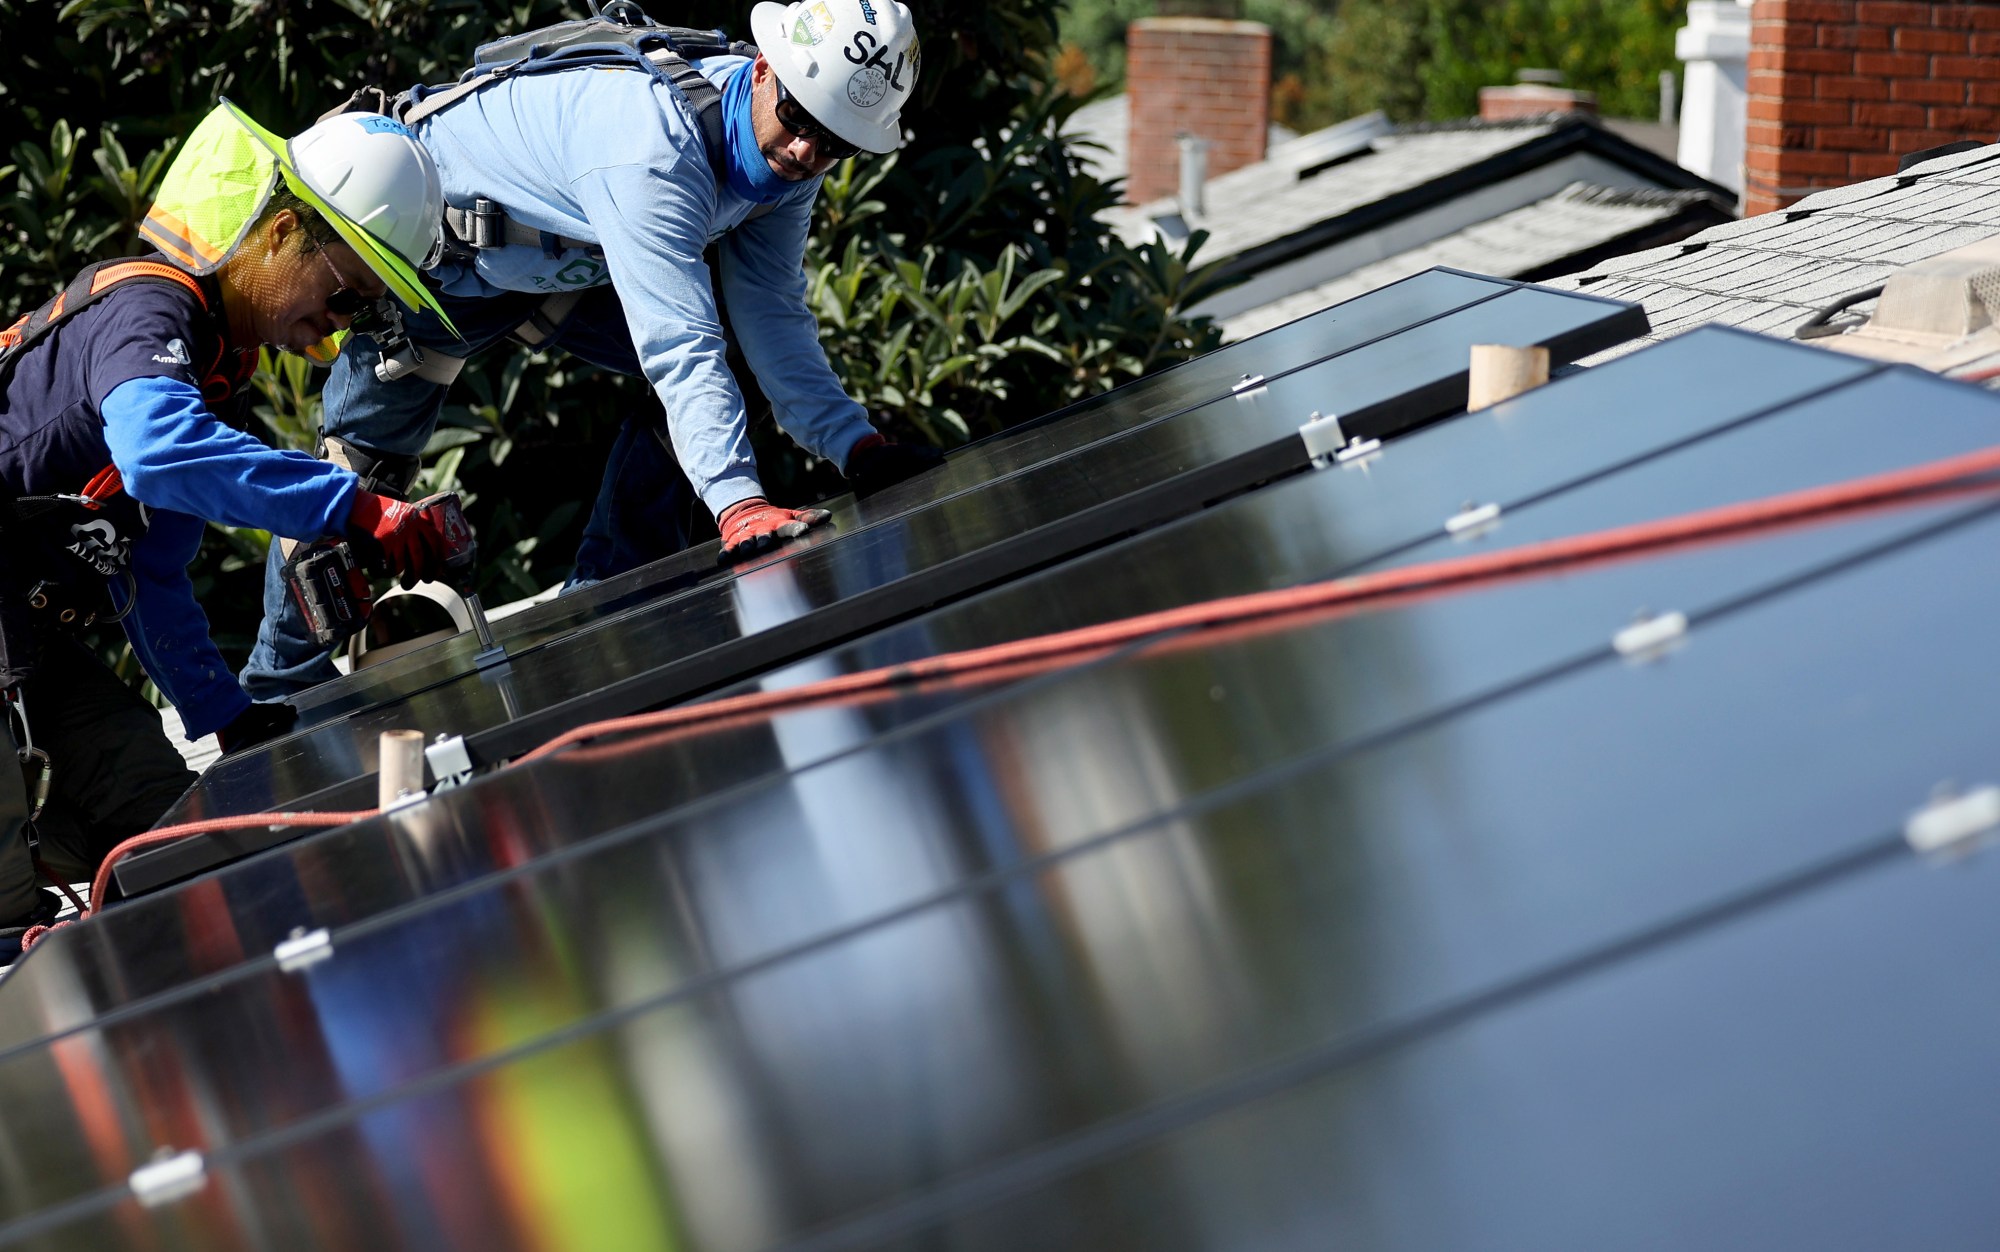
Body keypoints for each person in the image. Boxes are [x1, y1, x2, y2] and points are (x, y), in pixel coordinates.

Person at [240, 0, 945, 701]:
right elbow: (678, 341)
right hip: (433, 268)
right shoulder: (652, 144)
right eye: (797, 123)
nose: (803, 154)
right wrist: (738, 505)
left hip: (559, 264)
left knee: (736, 363)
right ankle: (278, 688)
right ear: (763, 72)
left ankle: (611, 595)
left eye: (833, 144)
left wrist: (857, 447)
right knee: (360, 471)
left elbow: (773, 316)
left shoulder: (788, 167)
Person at [0, 101, 465, 947]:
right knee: (10, 913)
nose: (340, 324)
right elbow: (158, 453)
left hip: (22, 645)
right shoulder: (147, 314)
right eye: (346, 293)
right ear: (283, 234)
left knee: (164, 827)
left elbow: (152, 572)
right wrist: (357, 507)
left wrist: (228, 715)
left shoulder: (214, 370)